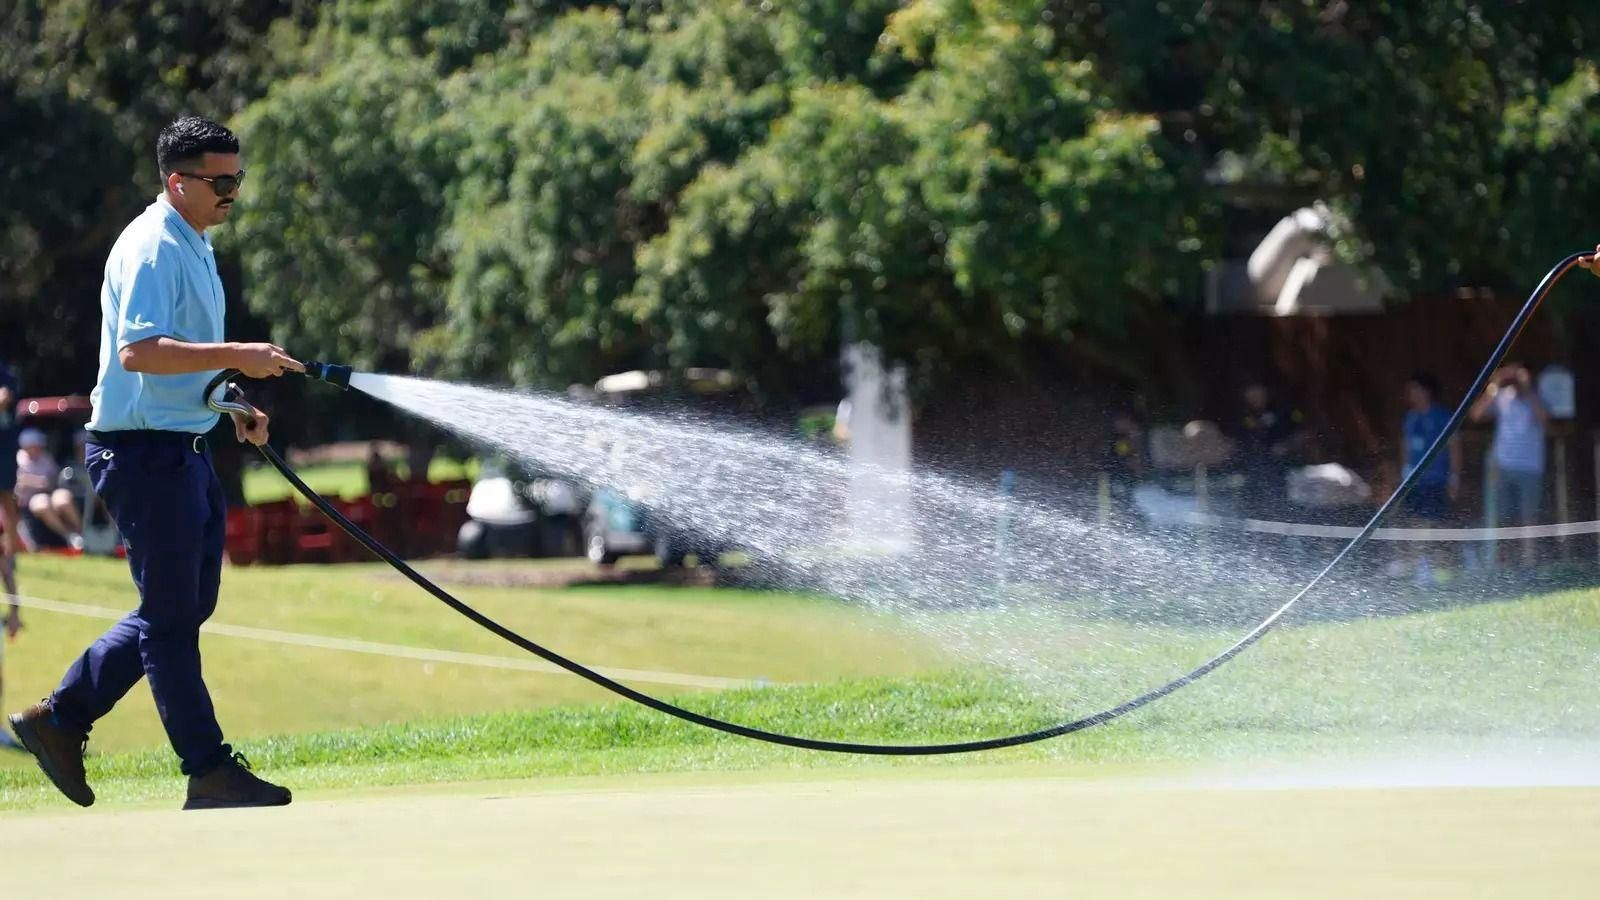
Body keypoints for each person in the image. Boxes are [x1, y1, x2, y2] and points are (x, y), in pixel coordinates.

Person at [6, 117, 305, 810]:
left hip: (184, 446)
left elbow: (174, 360)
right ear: (179, 181)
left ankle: (61, 718)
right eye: (220, 180)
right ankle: (206, 768)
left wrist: (232, 402)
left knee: (185, 604)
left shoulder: (194, 242)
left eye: (237, 177)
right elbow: (141, 351)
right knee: (171, 617)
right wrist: (237, 354)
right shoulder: (151, 247)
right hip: (143, 456)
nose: (232, 191)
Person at [1469, 362, 1548, 568]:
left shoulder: (1535, 397)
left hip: (1530, 466)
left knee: (1528, 516)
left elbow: (1544, 419)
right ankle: (1500, 561)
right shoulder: (1502, 396)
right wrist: (1494, 384)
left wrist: (1527, 388)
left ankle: (1528, 562)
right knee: (1500, 515)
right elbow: (1476, 414)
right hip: (1502, 466)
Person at [1399, 373, 1462, 584]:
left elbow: (1454, 447)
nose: (1411, 394)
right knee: (1415, 525)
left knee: (1439, 527)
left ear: (1427, 391)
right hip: (1416, 482)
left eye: (1415, 389)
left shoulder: (1443, 416)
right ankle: (1421, 570)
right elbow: (1406, 445)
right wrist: (1405, 471)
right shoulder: (1411, 418)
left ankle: (1447, 569)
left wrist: (1454, 478)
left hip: (1437, 481)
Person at [1231, 380, 1308, 516]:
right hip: (1255, 467)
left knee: (1282, 499)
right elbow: (1239, 441)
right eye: (1250, 395)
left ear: (1265, 392)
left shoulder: (1285, 410)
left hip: (1286, 465)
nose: (1255, 398)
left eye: (1257, 393)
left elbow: (1304, 431)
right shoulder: (1243, 415)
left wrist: (1287, 445)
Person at [14, 429, 84, 551]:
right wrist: (39, 482)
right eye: (35, 445)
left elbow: (54, 478)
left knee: (63, 498)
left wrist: (43, 482)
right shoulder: (17, 459)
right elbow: (19, 482)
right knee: (42, 503)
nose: (38, 448)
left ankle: (82, 532)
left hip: (50, 492)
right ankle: (68, 536)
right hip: (30, 500)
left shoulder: (45, 457)